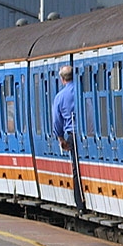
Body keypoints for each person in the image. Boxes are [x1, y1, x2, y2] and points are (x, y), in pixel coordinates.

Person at [51, 65, 85, 210]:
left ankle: (80, 204)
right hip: (86, 133)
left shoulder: (60, 97)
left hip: (72, 135)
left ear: (62, 79)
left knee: (76, 170)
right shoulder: (82, 91)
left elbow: (56, 121)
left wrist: (60, 138)